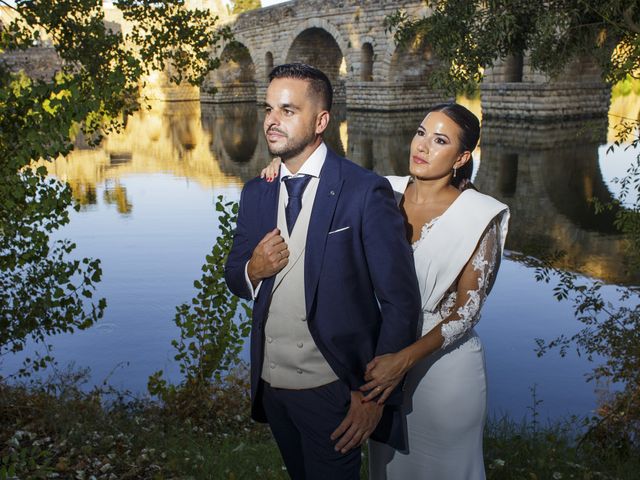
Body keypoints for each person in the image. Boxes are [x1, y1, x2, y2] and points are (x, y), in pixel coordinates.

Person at [262, 103, 510, 479]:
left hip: (442, 370)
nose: (422, 146)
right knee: (388, 470)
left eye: (439, 140)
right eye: (421, 132)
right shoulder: (381, 188)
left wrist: (404, 360)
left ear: (462, 156)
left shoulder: (481, 213)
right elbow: (318, 179)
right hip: (380, 356)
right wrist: (281, 170)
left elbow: (468, 311)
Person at [224, 63, 422, 480]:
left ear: (321, 120)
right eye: (268, 109)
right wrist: (253, 269)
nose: (272, 121)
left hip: (334, 392)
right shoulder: (257, 191)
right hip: (272, 388)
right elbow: (233, 275)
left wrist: (373, 398)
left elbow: (400, 302)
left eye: (288, 110)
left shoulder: (364, 191)